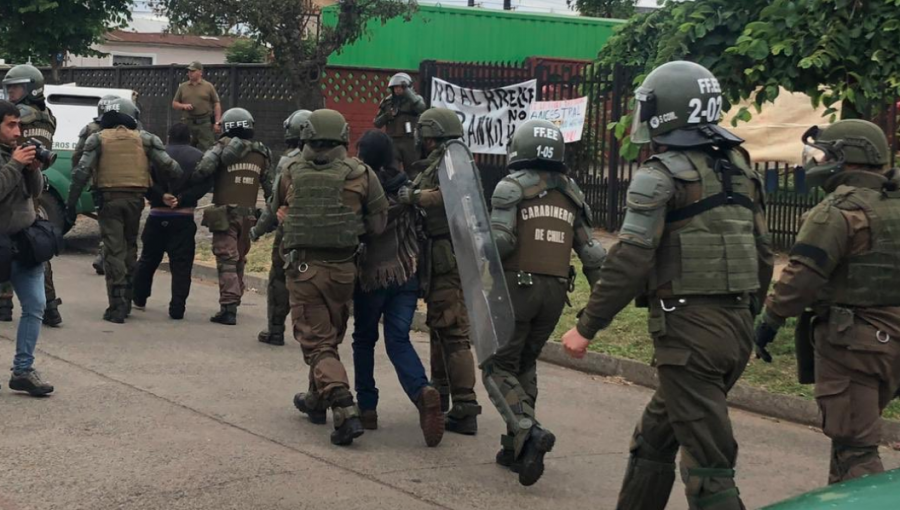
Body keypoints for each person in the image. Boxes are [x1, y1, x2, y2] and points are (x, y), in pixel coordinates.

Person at [561, 61, 774, 510]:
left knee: (709, 468)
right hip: (733, 329)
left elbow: (631, 259)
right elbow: (763, 254)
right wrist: (746, 316)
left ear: (665, 113)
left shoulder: (660, 174)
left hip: (687, 337)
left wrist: (586, 327)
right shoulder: (738, 166)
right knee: (653, 440)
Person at [755, 120, 900, 485]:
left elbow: (800, 278)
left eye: (827, 153)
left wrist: (769, 322)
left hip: (854, 346)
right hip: (891, 343)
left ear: (848, 158)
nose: (819, 160)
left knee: (856, 448)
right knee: (848, 442)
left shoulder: (836, 212)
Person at [486, 119, 607, 485]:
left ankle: (528, 429)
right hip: (556, 293)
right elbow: (592, 253)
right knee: (525, 363)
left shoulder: (511, 188)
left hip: (516, 289)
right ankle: (514, 449)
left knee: (497, 366)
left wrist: (479, 242)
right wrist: (600, 302)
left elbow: (503, 242)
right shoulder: (571, 193)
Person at [282, 109, 389, 446]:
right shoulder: (362, 173)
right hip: (344, 269)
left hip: (304, 268)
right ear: (344, 136)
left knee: (317, 342)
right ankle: (316, 401)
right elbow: (378, 223)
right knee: (328, 338)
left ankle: (342, 405)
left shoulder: (289, 170)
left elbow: (276, 210)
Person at [350, 129, 444, 447]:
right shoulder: (407, 187)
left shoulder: (363, 187)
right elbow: (420, 226)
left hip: (371, 277)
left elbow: (357, 228)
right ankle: (422, 391)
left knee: (363, 340)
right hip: (405, 273)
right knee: (398, 339)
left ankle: (367, 408)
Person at [398, 108, 482, 435]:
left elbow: (450, 197)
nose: (419, 139)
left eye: (423, 133)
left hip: (449, 253)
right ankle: (442, 391)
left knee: (453, 330)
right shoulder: (441, 160)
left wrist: (415, 196)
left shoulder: (454, 161)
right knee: (439, 326)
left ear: (432, 134)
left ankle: (465, 405)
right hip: (437, 253)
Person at [66, 98, 183, 323]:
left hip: (109, 201)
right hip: (136, 201)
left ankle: (117, 305)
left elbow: (80, 172)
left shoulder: (97, 139)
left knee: (113, 250)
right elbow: (172, 168)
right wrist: (167, 190)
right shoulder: (146, 139)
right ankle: (127, 300)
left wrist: (71, 205)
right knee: (130, 247)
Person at [193, 107, 272, 326]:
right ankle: (235, 297)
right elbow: (270, 188)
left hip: (225, 213)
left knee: (226, 259)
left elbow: (202, 170)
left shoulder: (221, 147)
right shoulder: (262, 152)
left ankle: (228, 306)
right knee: (239, 257)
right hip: (249, 215)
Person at [0, 64, 62, 327]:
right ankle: (49, 305)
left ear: (29, 88)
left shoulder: (18, 116)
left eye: (15, 87)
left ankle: (6, 302)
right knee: (35, 248)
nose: (10, 92)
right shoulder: (48, 117)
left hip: (18, 181)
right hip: (32, 178)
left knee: (13, 245)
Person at [0, 99, 54, 395]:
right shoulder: (11, 158)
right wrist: (15, 164)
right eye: (10, 124)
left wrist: (32, 169)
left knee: (35, 305)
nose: (17, 130)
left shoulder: (17, 154)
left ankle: (23, 370)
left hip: (23, 241)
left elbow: (35, 193)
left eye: (18, 124)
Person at [131, 123, 212, 320]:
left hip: (157, 215)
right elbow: (205, 184)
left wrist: (162, 195)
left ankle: (139, 298)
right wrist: (183, 198)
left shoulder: (157, 155)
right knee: (181, 265)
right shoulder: (198, 156)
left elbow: (146, 182)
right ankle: (177, 308)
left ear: (168, 137)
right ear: (189, 137)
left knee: (148, 260)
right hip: (183, 217)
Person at [250, 109, 312, 346]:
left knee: (280, 277)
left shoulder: (289, 161)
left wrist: (257, 230)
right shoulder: (337, 159)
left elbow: (274, 202)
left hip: (292, 228)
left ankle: (275, 329)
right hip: (326, 228)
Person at [73, 94, 120, 277]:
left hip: (97, 183)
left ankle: (105, 256)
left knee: (104, 221)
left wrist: (80, 179)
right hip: (121, 182)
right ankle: (106, 257)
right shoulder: (126, 129)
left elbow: (77, 156)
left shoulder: (90, 129)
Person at [373, 73, 426, 179]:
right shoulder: (387, 102)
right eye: (395, 87)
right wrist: (388, 115)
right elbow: (377, 123)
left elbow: (421, 108)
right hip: (392, 141)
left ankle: (412, 193)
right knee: (391, 171)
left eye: (400, 87)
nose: (397, 90)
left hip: (410, 141)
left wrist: (408, 93)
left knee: (413, 172)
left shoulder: (415, 100)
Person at [172, 61, 222, 151]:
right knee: (186, 148)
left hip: (204, 123)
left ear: (200, 72)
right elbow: (174, 104)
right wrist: (184, 106)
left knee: (208, 149)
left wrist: (217, 122)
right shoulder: (183, 87)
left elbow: (216, 103)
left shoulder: (208, 86)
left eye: (193, 71)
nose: (190, 73)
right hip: (188, 122)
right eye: (189, 71)